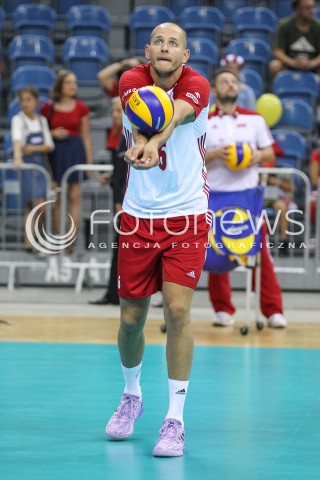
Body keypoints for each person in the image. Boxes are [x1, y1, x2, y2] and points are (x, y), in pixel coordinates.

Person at [105, 23, 211, 457]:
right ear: (148, 51)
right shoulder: (131, 80)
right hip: (138, 217)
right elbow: (144, 114)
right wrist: (142, 146)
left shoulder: (197, 85)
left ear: (184, 55)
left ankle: (175, 419)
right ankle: (132, 394)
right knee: (131, 319)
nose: (166, 48)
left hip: (187, 215)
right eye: (159, 42)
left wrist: (155, 143)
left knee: (178, 310)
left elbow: (176, 115)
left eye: (174, 44)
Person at [205, 68, 287, 329]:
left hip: (246, 197)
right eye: (224, 81)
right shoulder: (202, 120)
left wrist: (254, 156)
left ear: (239, 89)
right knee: (217, 252)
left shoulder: (255, 119)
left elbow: (270, 153)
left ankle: (272, 310)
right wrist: (216, 154)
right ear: (215, 91)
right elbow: (191, 156)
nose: (230, 85)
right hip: (213, 195)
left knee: (259, 252)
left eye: (233, 81)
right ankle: (222, 308)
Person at [40, 70, 93, 235]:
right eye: (69, 82)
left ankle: (70, 238)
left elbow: (86, 137)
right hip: (56, 153)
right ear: (60, 85)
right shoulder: (47, 108)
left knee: (74, 197)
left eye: (75, 83)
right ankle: (58, 237)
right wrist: (52, 133)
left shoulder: (81, 107)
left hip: (75, 151)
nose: (73, 86)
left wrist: (88, 163)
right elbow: (40, 133)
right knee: (58, 197)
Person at [89, 97, 127, 305]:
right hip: (119, 200)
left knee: (124, 249)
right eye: (113, 111)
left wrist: (121, 200)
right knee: (118, 248)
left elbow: (132, 172)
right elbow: (121, 169)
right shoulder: (119, 136)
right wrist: (110, 177)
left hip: (126, 203)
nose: (114, 115)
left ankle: (120, 294)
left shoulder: (133, 137)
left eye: (118, 111)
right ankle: (113, 293)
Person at [11, 87, 54, 252]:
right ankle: (36, 238)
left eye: (28, 99)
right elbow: (17, 141)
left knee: (34, 207)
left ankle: (28, 241)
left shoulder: (42, 120)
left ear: (36, 101)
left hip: (41, 168)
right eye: (22, 100)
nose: (25, 103)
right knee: (38, 205)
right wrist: (17, 157)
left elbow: (49, 145)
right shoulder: (18, 120)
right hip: (27, 168)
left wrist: (33, 149)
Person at [269, 0, 320, 79]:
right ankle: (280, 90)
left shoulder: (318, 27)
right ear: (297, 10)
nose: (311, 11)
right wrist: (292, 63)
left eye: (312, 7)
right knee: (275, 65)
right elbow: (278, 52)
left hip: (312, 66)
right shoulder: (284, 26)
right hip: (290, 64)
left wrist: (311, 63)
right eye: (307, 8)